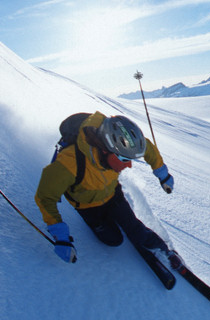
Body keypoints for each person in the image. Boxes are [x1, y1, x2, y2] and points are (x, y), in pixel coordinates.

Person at [35, 110, 179, 268]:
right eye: (124, 159)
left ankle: (165, 251)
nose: (129, 165)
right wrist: (60, 234)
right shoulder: (69, 163)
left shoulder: (122, 144)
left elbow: (147, 148)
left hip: (112, 194)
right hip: (88, 207)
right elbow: (45, 197)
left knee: (135, 228)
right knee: (114, 240)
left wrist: (162, 174)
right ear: (105, 150)